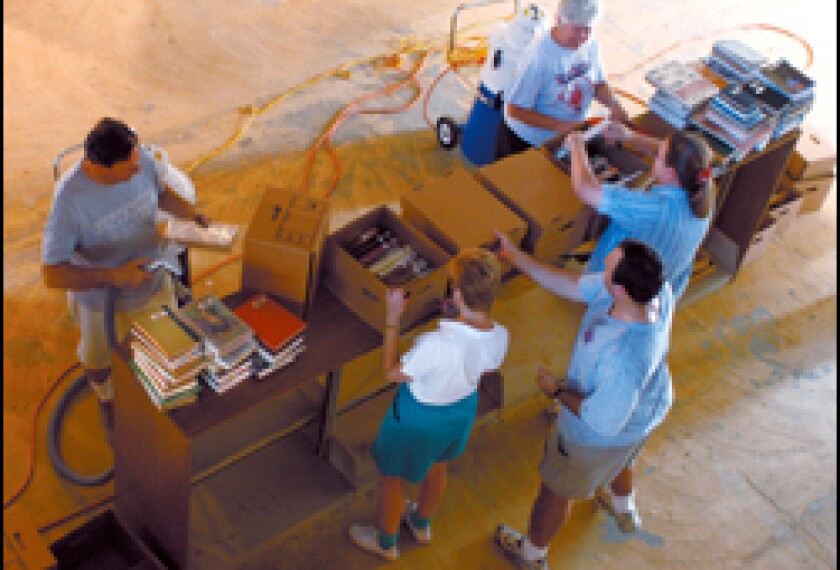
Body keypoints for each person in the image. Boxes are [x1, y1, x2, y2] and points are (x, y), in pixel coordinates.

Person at [492, 235, 674, 569]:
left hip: (598, 436)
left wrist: (556, 390)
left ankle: (532, 555)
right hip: (646, 412)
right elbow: (575, 285)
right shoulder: (654, 291)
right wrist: (516, 257)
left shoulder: (625, 357)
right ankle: (623, 505)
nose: (603, 260)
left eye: (610, 262)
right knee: (624, 457)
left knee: (556, 489)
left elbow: (601, 421)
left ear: (620, 290)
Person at [41, 117, 209, 442]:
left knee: (170, 349)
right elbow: (52, 273)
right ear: (99, 167)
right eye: (128, 168)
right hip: (101, 299)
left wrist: (190, 213)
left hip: (152, 278)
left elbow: (160, 193)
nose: (138, 169)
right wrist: (115, 276)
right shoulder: (68, 204)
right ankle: (107, 399)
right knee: (99, 360)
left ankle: (165, 404)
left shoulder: (138, 157)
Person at [348, 248, 509, 561]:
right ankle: (421, 525)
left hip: (417, 419)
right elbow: (481, 362)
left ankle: (385, 541)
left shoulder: (435, 345)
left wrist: (393, 318)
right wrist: (460, 318)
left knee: (392, 477)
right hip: (460, 413)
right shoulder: (501, 335)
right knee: (437, 468)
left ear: (458, 294)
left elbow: (392, 373)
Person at [568, 125, 714, 302]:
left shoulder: (654, 207)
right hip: (660, 294)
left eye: (658, 156)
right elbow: (679, 157)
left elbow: (585, 189)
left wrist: (576, 144)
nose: (654, 155)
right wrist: (629, 137)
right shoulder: (702, 191)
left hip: (621, 294)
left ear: (670, 173)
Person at [494, 0, 630, 161]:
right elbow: (515, 109)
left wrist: (614, 104)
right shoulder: (538, 58)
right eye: (577, 29)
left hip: (568, 135)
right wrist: (563, 127)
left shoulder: (590, 44)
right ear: (558, 20)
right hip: (527, 141)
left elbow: (598, 83)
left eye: (588, 30)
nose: (582, 37)